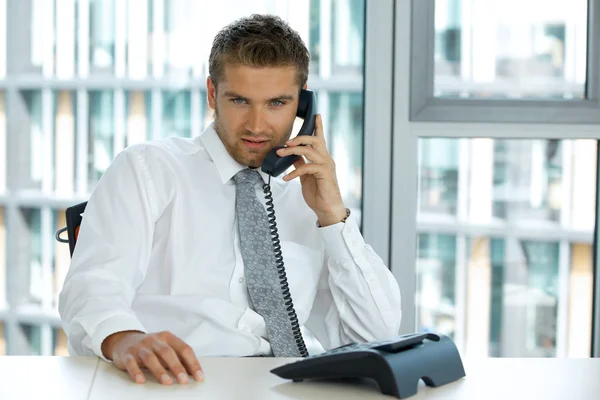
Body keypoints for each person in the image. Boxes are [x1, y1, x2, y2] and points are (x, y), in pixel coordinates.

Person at [58, 14, 402, 386]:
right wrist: (124, 339)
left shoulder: (308, 193)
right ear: (212, 93)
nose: (256, 125)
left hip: (290, 388)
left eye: (276, 103)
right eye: (239, 100)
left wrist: (335, 218)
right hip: (177, 383)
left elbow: (376, 333)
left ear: (302, 104)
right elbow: (92, 285)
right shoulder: (148, 169)